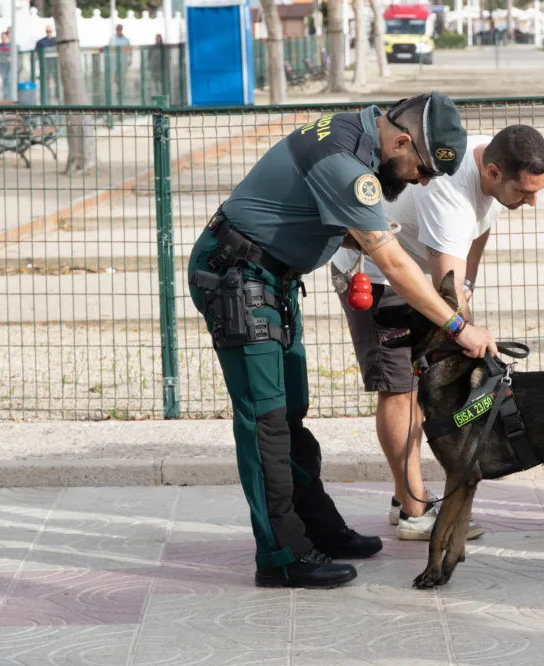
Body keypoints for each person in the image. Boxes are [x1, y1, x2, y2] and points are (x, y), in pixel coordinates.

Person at [187, 93, 499, 590]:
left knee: (289, 413)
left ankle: (317, 528)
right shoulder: (346, 165)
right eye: (421, 169)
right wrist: (459, 326)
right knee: (265, 421)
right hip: (237, 277)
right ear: (401, 140)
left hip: (270, 279)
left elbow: (348, 223)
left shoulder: (355, 134)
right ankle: (281, 553)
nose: (420, 181)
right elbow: (394, 265)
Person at [329, 124, 544, 541]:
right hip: (379, 278)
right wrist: (464, 328)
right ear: (492, 173)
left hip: (422, 274)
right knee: (400, 390)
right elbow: (443, 286)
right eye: (525, 193)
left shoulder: (495, 158)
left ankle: (404, 494)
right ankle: (414, 512)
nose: (533, 201)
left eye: (537, 190)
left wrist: (469, 289)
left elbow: (477, 232)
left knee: (420, 386)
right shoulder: (448, 195)